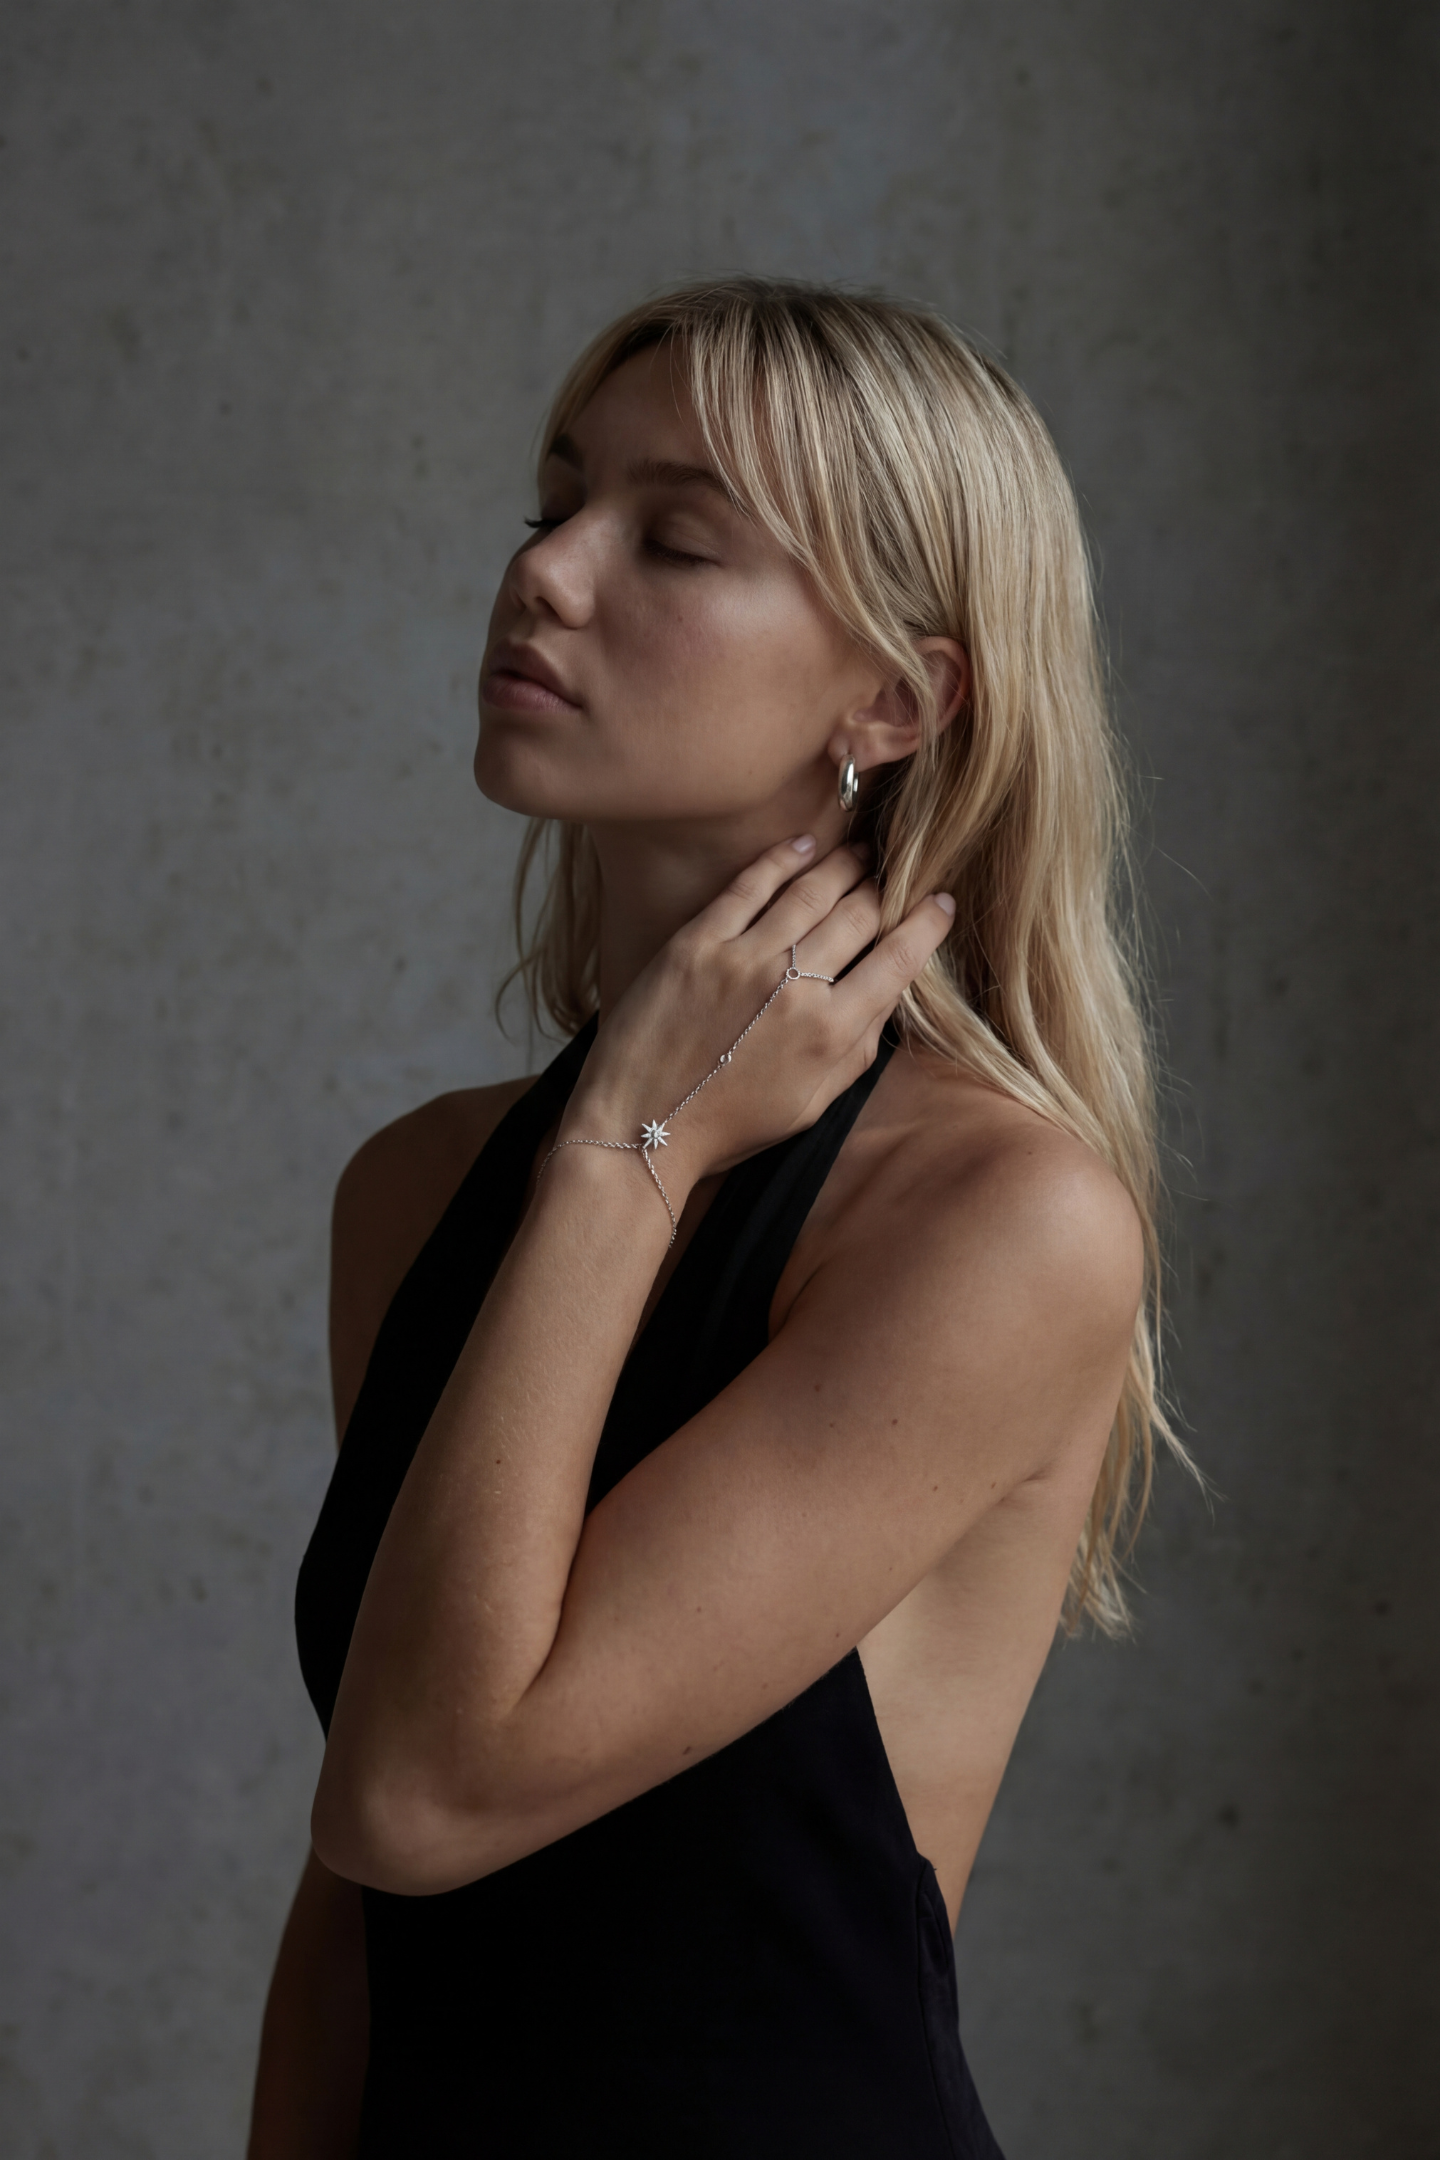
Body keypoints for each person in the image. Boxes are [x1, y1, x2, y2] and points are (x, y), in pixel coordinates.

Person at [248, 278, 1180, 2159]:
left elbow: (429, 1796)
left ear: (896, 700)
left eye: (673, 540)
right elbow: (358, 1890)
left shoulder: (1003, 1221)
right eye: (553, 503)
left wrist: (625, 1156)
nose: (544, 573)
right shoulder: (416, 1188)